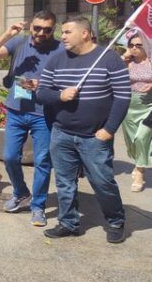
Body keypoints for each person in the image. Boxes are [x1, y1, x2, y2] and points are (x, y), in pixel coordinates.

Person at [35, 16, 131, 243]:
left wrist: (109, 129)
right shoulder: (57, 60)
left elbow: (123, 96)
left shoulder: (109, 58)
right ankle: (68, 223)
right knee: (65, 183)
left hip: (95, 137)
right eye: (62, 32)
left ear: (85, 33)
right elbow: (42, 93)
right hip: (62, 133)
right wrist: (60, 95)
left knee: (102, 182)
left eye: (68, 32)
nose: (63, 37)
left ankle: (116, 221)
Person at [0, 11, 63, 226]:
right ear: (31, 27)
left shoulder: (61, 49)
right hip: (16, 111)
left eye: (47, 29)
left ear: (53, 30)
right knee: (9, 157)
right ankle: (20, 192)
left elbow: (69, 80)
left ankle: (38, 206)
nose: (41, 33)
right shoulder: (19, 43)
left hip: (44, 114)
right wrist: (7, 34)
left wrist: (43, 86)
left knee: (42, 161)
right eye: (37, 28)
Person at [120, 29, 152, 192]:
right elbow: (110, 72)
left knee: (141, 137)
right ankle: (139, 162)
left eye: (138, 45)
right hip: (129, 107)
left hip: (149, 107)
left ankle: (140, 172)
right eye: (131, 45)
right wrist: (124, 57)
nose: (134, 48)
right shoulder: (127, 62)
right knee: (132, 141)